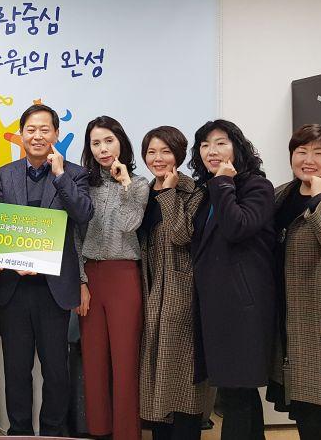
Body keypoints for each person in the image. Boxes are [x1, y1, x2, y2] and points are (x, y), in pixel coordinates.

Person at [0, 104, 93, 436]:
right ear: (21, 134)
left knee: (56, 370)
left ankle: (53, 432)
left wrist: (60, 175)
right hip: (14, 287)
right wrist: (4, 259)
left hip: (54, 287)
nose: (37, 136)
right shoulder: (5, 174)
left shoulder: (75, 173)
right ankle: (19, 432)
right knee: (16, 369)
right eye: (31, 130)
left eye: (44, 129)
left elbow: (83, 215)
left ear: (56, 134)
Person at [189, 119, 275, 440]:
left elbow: (238, 227)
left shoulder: (256, 187)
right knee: (236, 390)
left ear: (237, 148)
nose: (212, 151)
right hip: (217, 303)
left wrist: (225, 183)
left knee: (237, 389)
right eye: (205, 145)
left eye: (220, 143)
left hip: (243, 304)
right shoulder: (207, 191)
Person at [74, 116, 148, 440]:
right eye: (96, 143)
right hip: (91, 276)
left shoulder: (139, 184)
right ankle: (99, 431)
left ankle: (127, 433)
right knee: (93, 360)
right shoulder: (83, 185)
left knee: (125, 359)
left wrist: (125, 183)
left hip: (124, 276)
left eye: (109, 141)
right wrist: (80, 281)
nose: (103, 149)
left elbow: (130, 224)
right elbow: (75, 237)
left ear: (121, 142)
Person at [138, 126, 208, 440]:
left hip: (181, 290)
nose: (158, 158)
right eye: (151, 152)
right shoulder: (142, 192)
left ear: (178, 154)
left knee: (181, 372)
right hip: (150, 287)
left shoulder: (193, 191)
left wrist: (168, 193)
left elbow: (182, 235)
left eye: (166, 151)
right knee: (156, 373)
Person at [266, 124, 321, 440]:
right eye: (301, 151)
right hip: (288, 319)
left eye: (319, 153)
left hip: (319, 320)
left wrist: (320, 200)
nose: (309, 160)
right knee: (306, 411)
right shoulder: (280, 195)